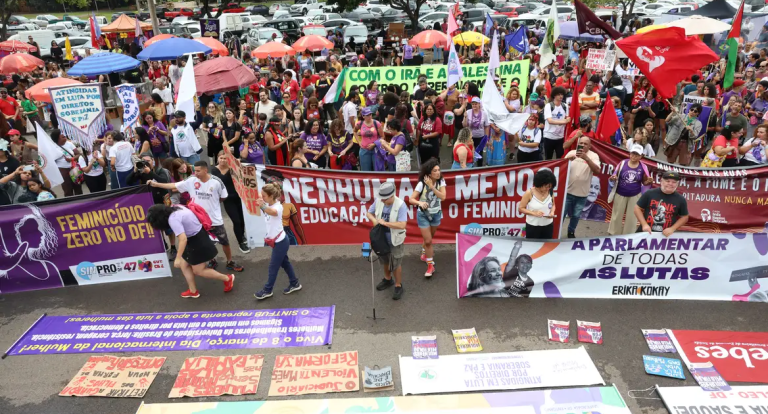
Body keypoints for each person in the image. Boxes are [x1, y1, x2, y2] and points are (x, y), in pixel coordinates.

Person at [149, 161, 245, 272]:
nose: (196, 173)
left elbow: (223, 197)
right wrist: (156, 184)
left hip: (215, 219)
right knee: (206, 242)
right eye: (195, 170)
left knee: (225, 242)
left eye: (198, 171)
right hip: (198, 220)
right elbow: (174, 185)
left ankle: (230, 262)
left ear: (205, 170)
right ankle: (212, 260)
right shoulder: (191, 180)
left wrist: (212, 204)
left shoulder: (217, 182)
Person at [146, 205, 235, 298]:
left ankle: (227, 278)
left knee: (199, 271)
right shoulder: (175, 206)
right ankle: (193, 291)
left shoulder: (173, 219)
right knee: (184, 265)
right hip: (195, 237)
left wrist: (178, 258)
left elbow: (182, 239)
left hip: (197, 241)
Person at [253, 183, 302, 300]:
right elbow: (263, 199)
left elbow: (272, 212)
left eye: (264, 196)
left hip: (280, 242)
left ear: (271, 196)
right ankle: (295, 283)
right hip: (277, 241)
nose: (262, 197)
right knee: (285, 263)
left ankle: (267, 290)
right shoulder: (269, 202)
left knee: (273, 267)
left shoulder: (277, 207)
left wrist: (262, 205)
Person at [367, 182, 407, 300]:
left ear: (392, 195)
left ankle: (398, 285)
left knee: (396, 263)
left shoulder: (401, 205)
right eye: (381, 198)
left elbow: (402, 224)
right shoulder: (379, 200)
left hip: (395, 239)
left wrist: (385, 223)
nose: (382, 200)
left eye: (385, 199)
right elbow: (369, 213)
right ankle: (387, 279)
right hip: (381, 239)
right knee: (384, 260)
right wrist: (375, 221)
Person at [410, 159, 446, 278]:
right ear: (429, 173)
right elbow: (411, 199)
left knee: (429, 238)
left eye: (439, 170)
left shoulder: (441, 182)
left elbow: (443, 197)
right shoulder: (422, 184)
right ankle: (430, 266)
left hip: (436, 214)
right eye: (435, 171)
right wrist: (420, 203)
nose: (438, 172)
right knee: (429, 241)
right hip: (423, 215)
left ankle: (425, 252)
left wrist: (433, 187)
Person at [609, 144, 652, 235]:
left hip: (635, 195)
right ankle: (613, 235)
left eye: (637, 155)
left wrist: (649, 181)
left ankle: (628, 236)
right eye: (632, 153)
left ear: (641, 156)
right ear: (629, 153)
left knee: (632, 218)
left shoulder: (643, 167)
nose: (634, 156)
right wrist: (613, 178)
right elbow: (614, 175)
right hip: (620, 193)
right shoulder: (622, 163)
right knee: (616, 216)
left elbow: (644, 183)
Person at [212, 151, 249, 254]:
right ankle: (241, 243)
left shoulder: (233, 167)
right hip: (228, 200)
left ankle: (241, 234)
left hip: (240, 197)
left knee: (242, 220)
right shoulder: (214, 170)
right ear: (218, 158)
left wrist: (238, 161)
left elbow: (247, 163)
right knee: (236, 221)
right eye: (221, 158)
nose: (223, 160)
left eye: (225, 158)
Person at [563, 137, 600, 238]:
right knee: (562, 214)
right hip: (567, 192)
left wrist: (586, 158)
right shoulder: (571, 152)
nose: (583, 145)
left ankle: (571, 232)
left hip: (582, 194)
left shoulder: (594, 156)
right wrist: (567, 161)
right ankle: (556, 232)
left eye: (585, 144)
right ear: (578, 143)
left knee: (576, 215)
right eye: (581, 143)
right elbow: (560, 168)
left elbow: (597, 171)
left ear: (590, 146)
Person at [634, 171, 689, 236]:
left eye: (674, 182)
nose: (670, 184)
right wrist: (644, 224)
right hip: (646, 233)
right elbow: (637, 208)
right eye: (667, 181)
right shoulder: (649, 193)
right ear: (661, 181)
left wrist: (672, 228)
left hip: (666, 236)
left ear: (677, 184)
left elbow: (684, 217)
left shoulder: (680, 199)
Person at [519, 169, 557, 239]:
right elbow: (521, 208)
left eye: (550, 187)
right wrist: (534, 213)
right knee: (532, 247)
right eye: (546, 186)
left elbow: (553, 205)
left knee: (546, 246)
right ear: (540, 184)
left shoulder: (550, 192)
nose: (548, 188)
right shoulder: (529, 193)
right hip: (533, 225)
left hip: (548, 225)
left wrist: (552, 212)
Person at [543, 87, 570, 159]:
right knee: (548, 158)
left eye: (562, 94)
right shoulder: (549, 106)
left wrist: (568, 119)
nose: (561, 96)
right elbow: (550, 121)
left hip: (560, 136)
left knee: (560, 157)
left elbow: (567, 117)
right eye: (558, 94)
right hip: (549, 136)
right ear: (554, 95)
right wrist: (563, 121)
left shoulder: (565, 106)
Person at [355, 107, 384, 171]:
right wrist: (359, 142)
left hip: (375, 150)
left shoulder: (377, 123)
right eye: (367, 115)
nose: (369, 116)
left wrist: (374, 144)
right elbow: (354, 131)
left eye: (370, 114)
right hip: (364, 150)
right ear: (363, 116)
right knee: (365, 171)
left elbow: (382, 136)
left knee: (377, 170)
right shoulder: (360, 123)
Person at [462, 97, 488, 166]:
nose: (474, 105)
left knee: (479, 153)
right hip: (470, 137)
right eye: (473, 104)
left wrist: (486, 137)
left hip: (480, 137)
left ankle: (479, 168)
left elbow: (486, 126)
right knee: (470, 153)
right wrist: (465, 118)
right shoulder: (467, 112)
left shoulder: (484, 114)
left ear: (479, 104)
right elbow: (464, 125)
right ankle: (470, 167)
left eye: (476, 104)